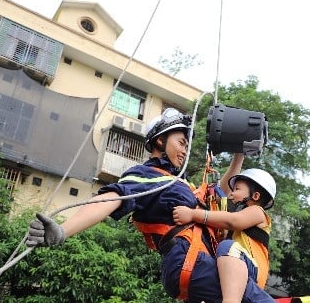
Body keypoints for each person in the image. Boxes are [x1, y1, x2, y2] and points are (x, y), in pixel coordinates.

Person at [26, 108, 274, 303]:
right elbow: (109, 199)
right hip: (191, 262)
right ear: (159, 142)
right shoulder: (148, 176)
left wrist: (239, 155)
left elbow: (221, 191)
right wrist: (63, 230)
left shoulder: (182, 185)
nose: (185, 150)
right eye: (181, 142)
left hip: (198, 264)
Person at [173, 168, 275, 303]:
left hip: (252, 268)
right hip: (236, 268)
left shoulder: (257, 211)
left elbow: (232, 221)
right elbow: (221, 205)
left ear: (255, 196)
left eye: (237, 189)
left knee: (227, 247)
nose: (232, 194)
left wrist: (193, 214)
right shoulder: (236, 220)